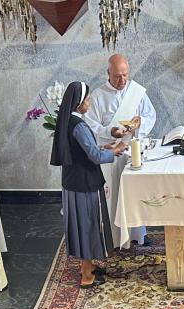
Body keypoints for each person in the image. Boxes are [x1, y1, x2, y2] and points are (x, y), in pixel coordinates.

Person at [51, 82, 127, 287]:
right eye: (87, 99)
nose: (89, 102)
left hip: (72, 182)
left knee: (82, 225)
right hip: (84, 184)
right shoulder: (79, 126)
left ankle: (87, 266)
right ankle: (86, 275)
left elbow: (82, 149)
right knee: (88, 225)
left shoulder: (68, 121)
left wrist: (103, 146)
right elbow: (94, 157)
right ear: (78, 103)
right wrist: (115, 150)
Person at [86, 53, 159, 247]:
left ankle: (137, 235)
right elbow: (90, 125)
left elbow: (150, 115)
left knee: (136, 194)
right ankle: (113, 237)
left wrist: (139, 123)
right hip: (111, 155)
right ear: (108, 73)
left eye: (125, 75)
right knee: (114, 195)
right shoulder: (98, 96)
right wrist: (110, 131)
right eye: (117, 76)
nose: (122, 80)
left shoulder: (136, 92)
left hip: (132, 151)